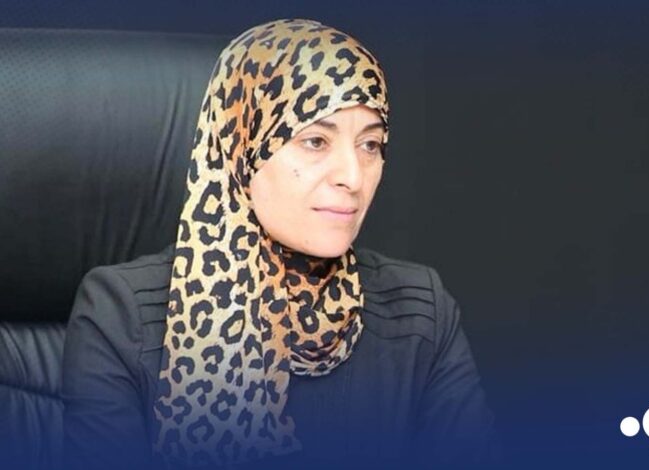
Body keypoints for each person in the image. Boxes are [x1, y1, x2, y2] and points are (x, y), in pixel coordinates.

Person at [62, 18, 498, 470]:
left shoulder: (420, 308)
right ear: (242, 148)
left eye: (370, 145)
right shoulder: (124, 313)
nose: (353, 176)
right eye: (316, 141)